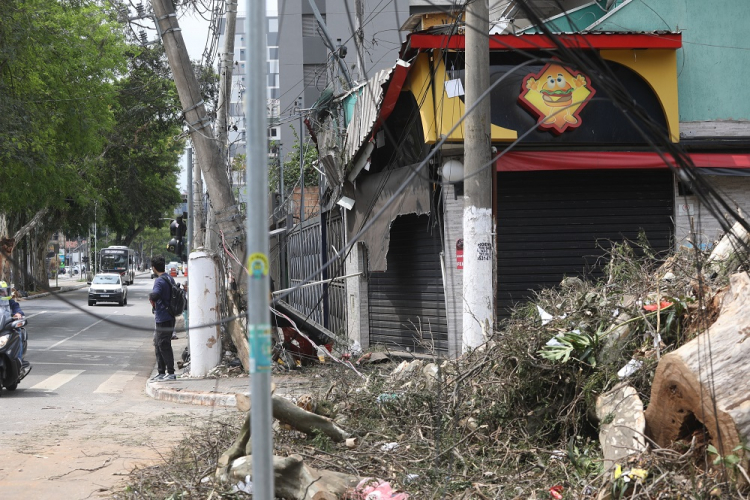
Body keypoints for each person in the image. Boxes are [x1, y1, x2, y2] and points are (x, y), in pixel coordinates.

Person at [148, 256, 176, 381]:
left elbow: (156, 295)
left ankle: (170, 373)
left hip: (163, 317)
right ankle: (161, 372)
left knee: (163, 344)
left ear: (154, 268)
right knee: (158, 343)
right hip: (169, 315)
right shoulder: (169, 278)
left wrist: (150, 296)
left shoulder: (159, 281)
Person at [0, 280, 28, 373]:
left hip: (9, 326)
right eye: (1, 291)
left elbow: (17, 308)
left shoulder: (10, 301)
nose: (4, 293)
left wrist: (18, 314)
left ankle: (19, 361)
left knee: (18, 334)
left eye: (5, 291)